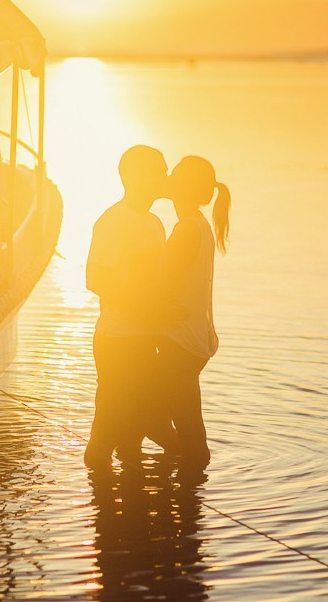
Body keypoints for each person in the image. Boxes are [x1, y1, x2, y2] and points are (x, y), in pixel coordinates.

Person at [84, 145, 169, 470]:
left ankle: (131, 507)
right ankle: (103, 504)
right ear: (140, 177)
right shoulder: (113, 221)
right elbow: (95, 279)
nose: (166, 176)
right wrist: (147, 309)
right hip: (118, 339)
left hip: (147, 338)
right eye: (161, 170)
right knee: (106, 429)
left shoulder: (154, 223)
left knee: (134, 433)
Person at [156, 155, 230, 472]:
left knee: (159, 417)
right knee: (178, 417)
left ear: (181, 187)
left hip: (180, 341)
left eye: (172, 174)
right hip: (192, 338)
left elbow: (160, 279)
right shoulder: (197, 225)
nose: (166, 177)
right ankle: (187, 490)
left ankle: (191, 480)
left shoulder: (187, 229)